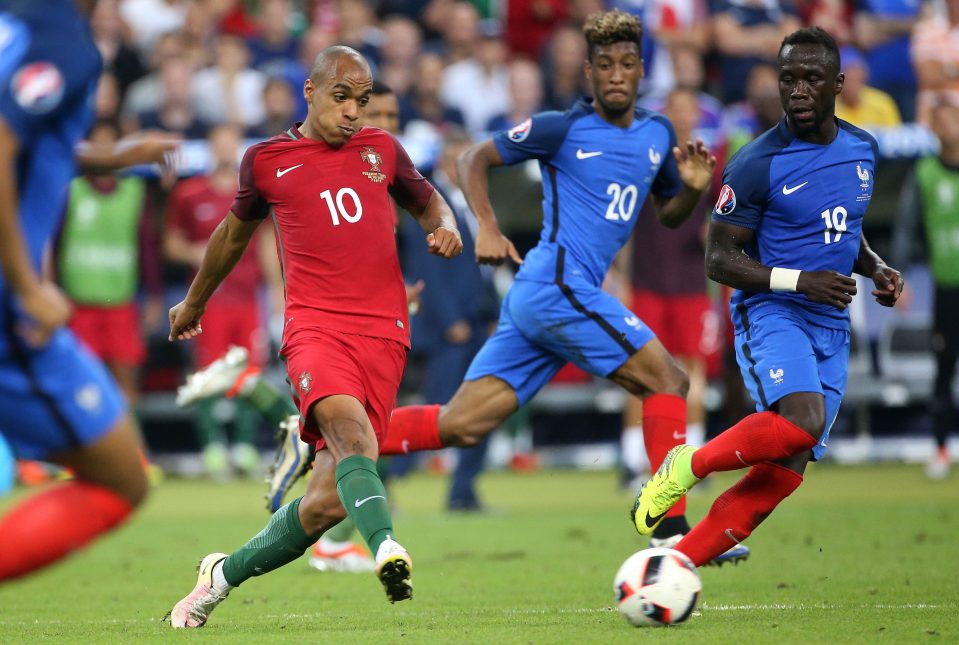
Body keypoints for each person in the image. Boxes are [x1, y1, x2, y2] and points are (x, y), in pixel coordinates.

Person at [374, 10, 746, 565]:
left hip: (546, 299)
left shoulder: (657, 133)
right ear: (589, 74)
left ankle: (340, 437)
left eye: (626, 64)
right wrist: (490, 226)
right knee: (668, 379)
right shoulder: (561, 128)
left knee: (461, 424)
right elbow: (476, 157)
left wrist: (692, 190)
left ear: (641, 69)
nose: (616, 74)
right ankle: (671, 532)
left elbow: (669, 215)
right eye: (604, 65)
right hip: (557, 285)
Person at [166, 46, 462, 627]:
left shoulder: (383, 150)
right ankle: (386, 548)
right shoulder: (269, 160)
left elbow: (430, 205)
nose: (353, 111)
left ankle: (218, 577)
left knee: (326, 502)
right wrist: (194, 302)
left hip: (384, 337)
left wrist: (446, 228)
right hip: (315, 330)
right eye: (341, 96)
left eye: (363, 99)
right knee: (352, 439)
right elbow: (231, 236)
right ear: (310, 90)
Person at [631, 27, 904, 568]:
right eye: (788, 79)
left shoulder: (862, 149)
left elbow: (844, 229)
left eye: (811, 78)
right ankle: (688, 465)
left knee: (787, 469)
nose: (798, 90)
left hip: (831, 319)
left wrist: (875, 267)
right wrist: (801, 282)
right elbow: (719, 260)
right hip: (773, 310)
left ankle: (676, 565)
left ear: (838, 84)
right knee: (802, 418)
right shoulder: (756, 163)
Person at [0, 0, 177, 582]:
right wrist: (28, 284)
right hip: (10, 308)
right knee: (120, 479)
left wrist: (114, 157)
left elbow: (28, 146)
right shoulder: (62, 41)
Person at [164, 123, 282, 479]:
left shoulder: (252, 192)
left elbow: (264, 242)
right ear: (211, 148)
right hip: (208, 299)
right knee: (208, 370)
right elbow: (171, 243)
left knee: (248, 369)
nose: (226, 150)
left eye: (232, 144)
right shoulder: (188, 193)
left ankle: (244, 445)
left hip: (247, 297)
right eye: (220, 143)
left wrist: (276, 287)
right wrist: (193, 253)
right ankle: (212, 446)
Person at [620, 88, 719, 489]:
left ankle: (691, 463)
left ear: (697, 114)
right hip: (646, 283)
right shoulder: (646, 161)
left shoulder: (713, 164)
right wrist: (621, 281)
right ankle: (633, 464)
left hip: (693, 286)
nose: (682, 115)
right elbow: (623, 227)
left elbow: (722, 222)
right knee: (638, 373)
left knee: (692, 373)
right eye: (674, 109)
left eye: (687, 109)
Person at [913, 98, 959, 480]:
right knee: (943, 369)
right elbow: (906, 225)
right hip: (946, 288)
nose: (946, 126)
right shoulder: (925, 172)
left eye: (951, 119)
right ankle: (941, 449)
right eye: (938, 120)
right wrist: (895, 273)